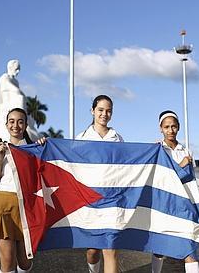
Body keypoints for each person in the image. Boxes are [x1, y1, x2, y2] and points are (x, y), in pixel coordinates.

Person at [0, 108, 46, 273]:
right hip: (3, 205)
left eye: (20, 121)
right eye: (11, 121)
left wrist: (42, 147)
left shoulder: (33, 151)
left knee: (25, 262)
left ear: (26, 125)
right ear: (6, 125)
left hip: (26, 208)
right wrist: (0, 158)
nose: (16, 125)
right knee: (7, 263)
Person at [75, 95, 123, 273]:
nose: (105, 114)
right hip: (89, 200)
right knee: (92, 250)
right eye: (101, 110)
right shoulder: (81, 138)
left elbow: (128, 165)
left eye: (108, 110)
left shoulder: (117, 138)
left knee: (110, 248)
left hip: (111, 199)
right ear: (92, 111)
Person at [151, 110, 199, 273]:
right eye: (166, 127)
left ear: (178, 127)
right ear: (160, 128)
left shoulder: (186, 151)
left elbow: (191, 183)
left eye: (173, 126)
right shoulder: (157, 150)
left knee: (190, 250)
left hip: (184, 207)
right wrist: (181, 164)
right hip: (164, 205)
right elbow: (163, 179)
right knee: (159, 248)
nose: (170, 130)